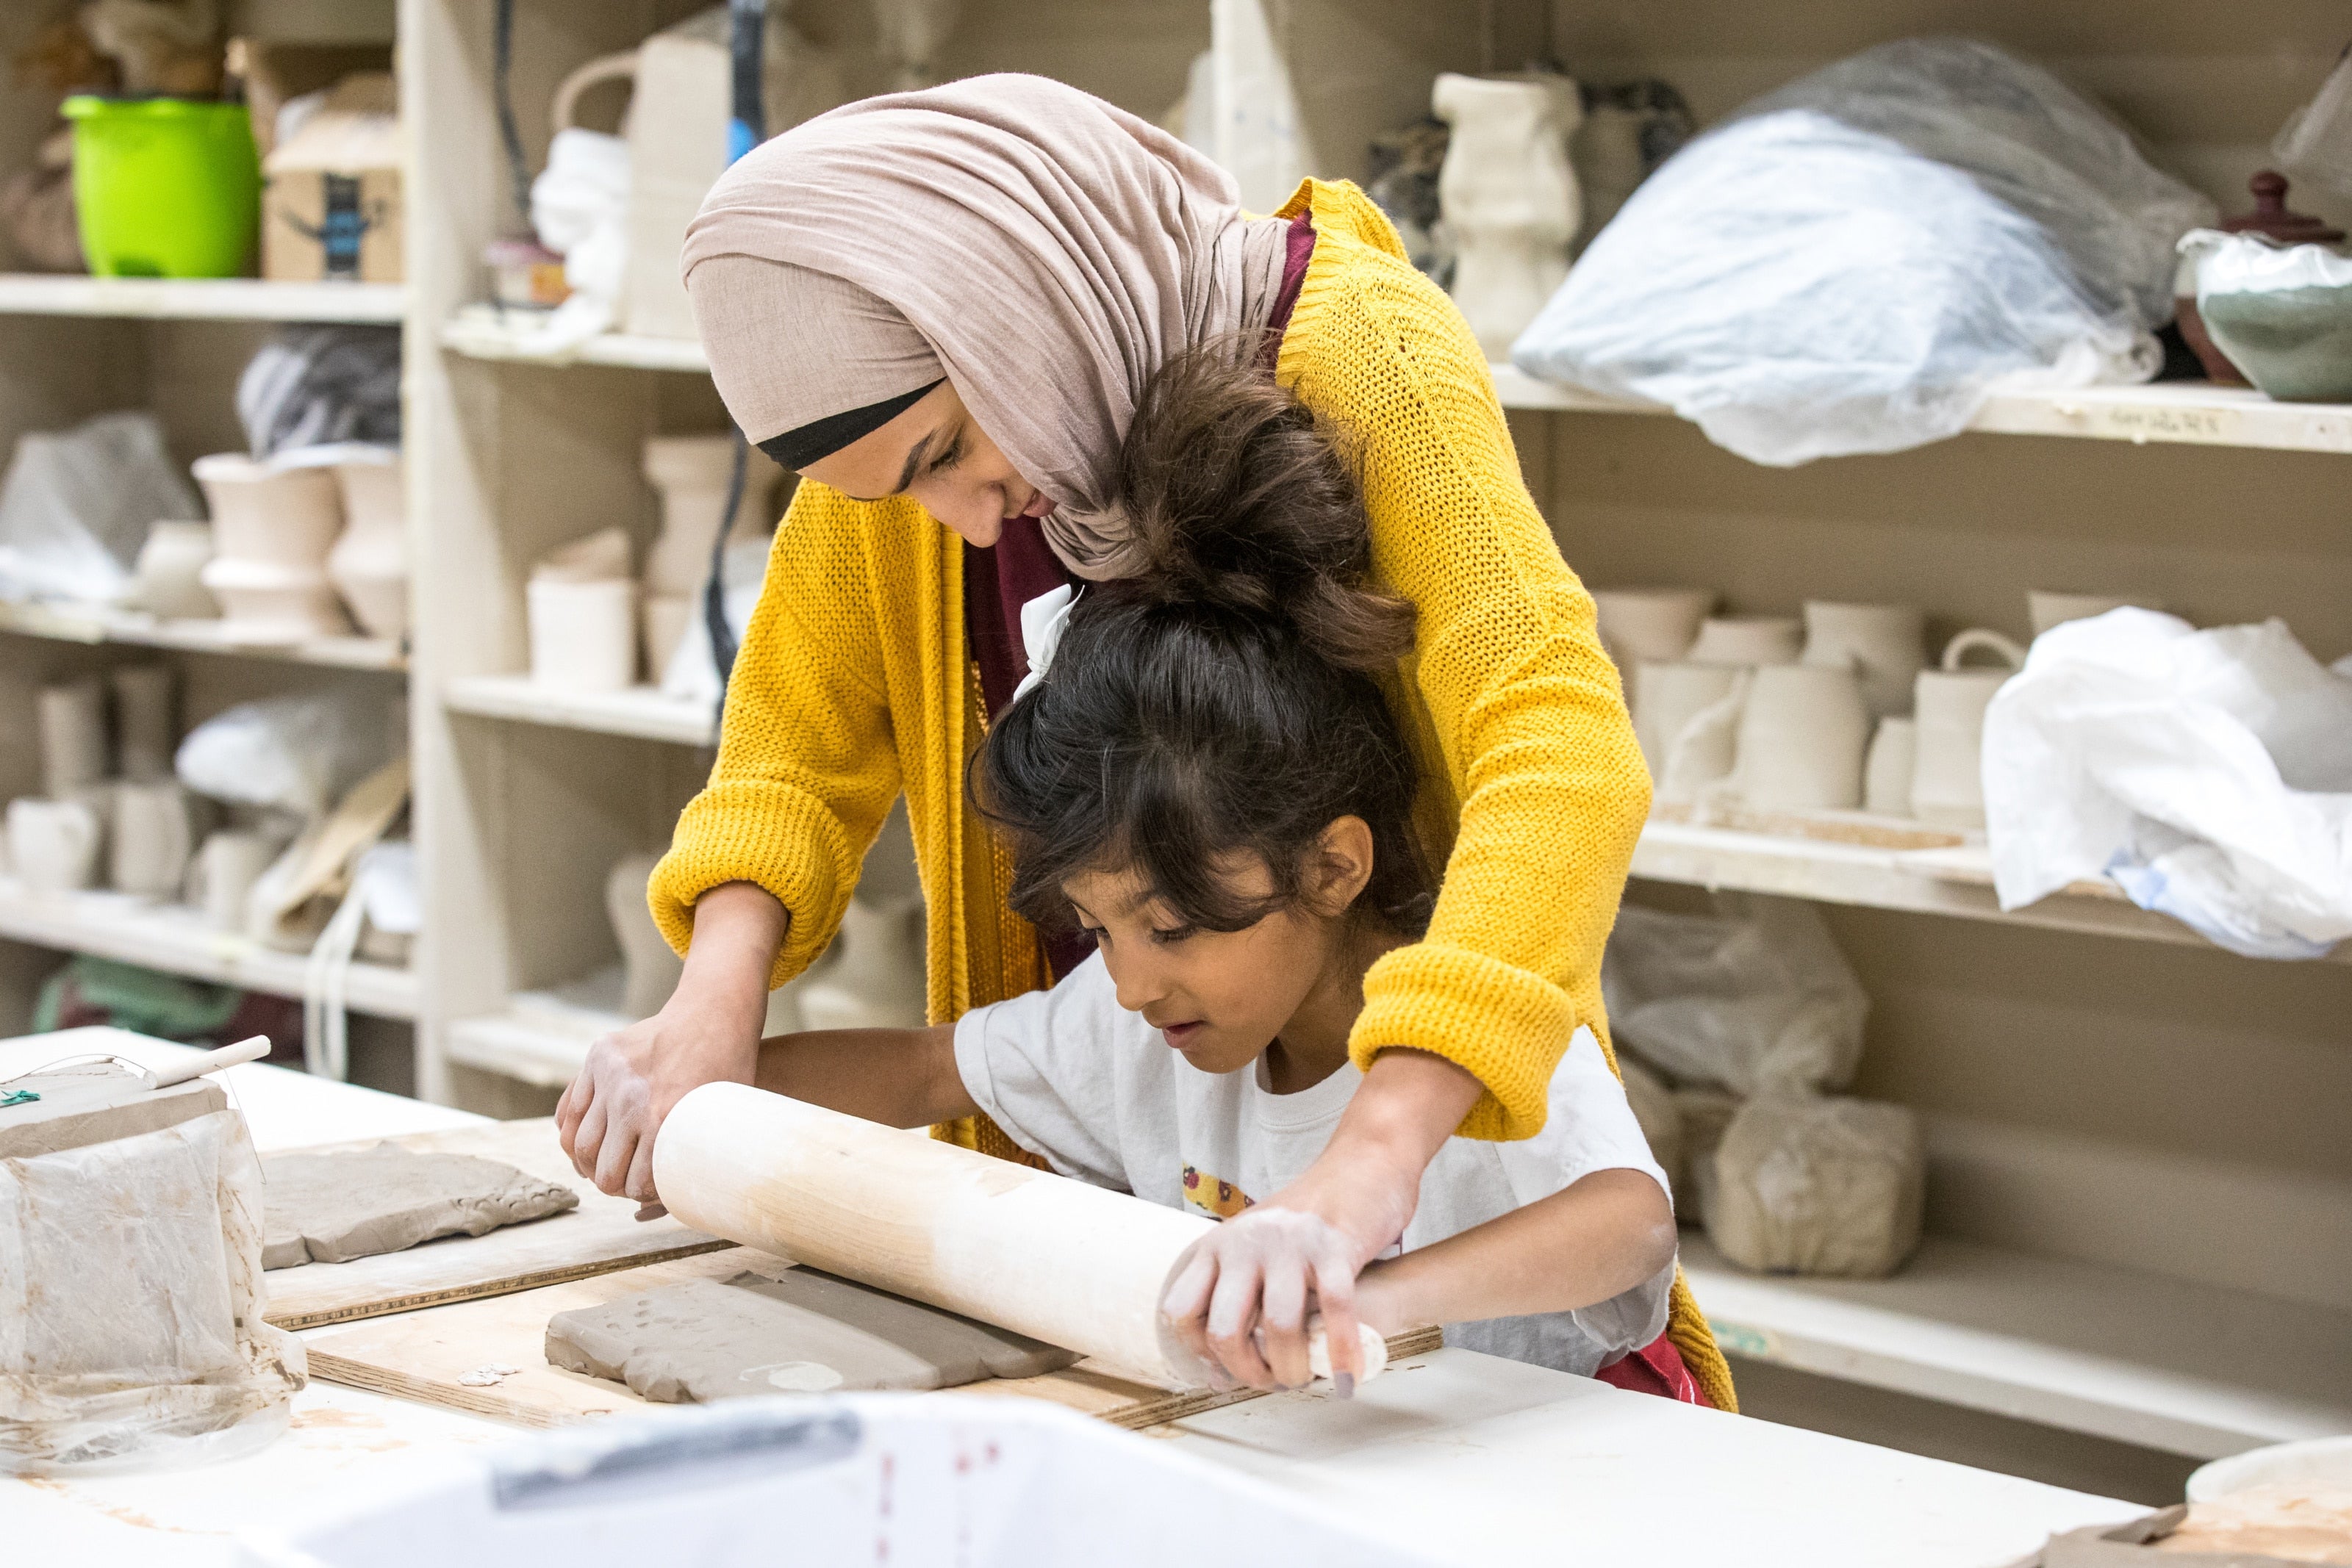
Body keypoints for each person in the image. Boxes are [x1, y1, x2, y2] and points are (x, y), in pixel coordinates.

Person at [553, 72, 1734, 1408]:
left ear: (1007, 305)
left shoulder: (1354, 350)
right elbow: (789, 749)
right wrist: (709, 1013)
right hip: (1175, 1117)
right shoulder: (898, 446)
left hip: (1400, 1056)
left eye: (948, 451)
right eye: (900, 490)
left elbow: (1558, 743)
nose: (959, 519)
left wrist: (1376, 1149)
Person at [747, 370, 1686, 1392]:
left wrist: (1366, 1296)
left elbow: (1630, 1223)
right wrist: (687, 1091)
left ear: (1333, 866)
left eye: (1172, 926)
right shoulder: (1143, 1026)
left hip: (1542, 1458)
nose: (1134, 983)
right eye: (1100, 931)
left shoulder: (1459, 1009)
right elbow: (926, 1070)